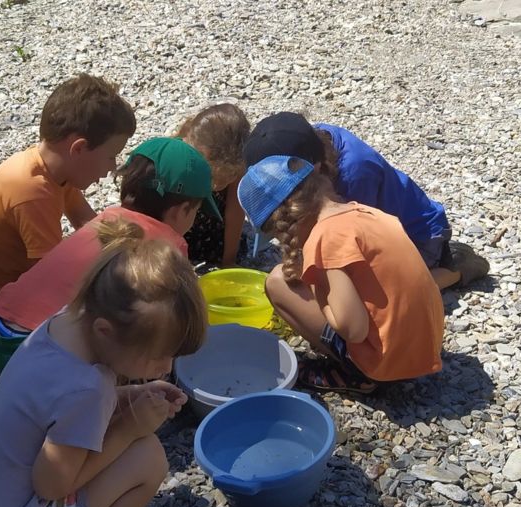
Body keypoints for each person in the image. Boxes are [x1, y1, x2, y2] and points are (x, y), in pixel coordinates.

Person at [0, 218, 206, 507]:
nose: (166, 367)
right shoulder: (87, 387)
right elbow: (51, 485)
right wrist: (129, 427)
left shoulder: (65, 323)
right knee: (148, 456)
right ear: (105, 331)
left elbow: (57, 411)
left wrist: (128, 396)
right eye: (158, 355)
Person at [0, 137, 218, 380]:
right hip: (39, 349)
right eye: (196, 211)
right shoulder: (167, 246)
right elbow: (169, 322)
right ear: (182, 210)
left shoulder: (108, 218)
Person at [237, 155, 445, 394]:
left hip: (386, 367)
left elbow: (353, 330)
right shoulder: (367, 213)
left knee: (276, 282)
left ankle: (356, 376)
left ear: (285, 222)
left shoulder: (325, 238)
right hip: (426, 348)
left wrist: (320, 291)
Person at [0, 74, 136, 329]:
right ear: (78, 149)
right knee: (92, 323)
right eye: (111, 156)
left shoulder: (55, 169)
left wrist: (123, 251)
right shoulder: (34, 193)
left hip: (14, 279)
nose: (112, 168)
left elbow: (86, 221)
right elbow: (50, 276)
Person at [243, 111, 489, 290]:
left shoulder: (355, 175)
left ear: (311, 170)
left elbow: (360, 244)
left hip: (419, 235)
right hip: (382, 226)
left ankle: (455, 268)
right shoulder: (309, 141)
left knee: (386, 293)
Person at [174, 103, 250, 267]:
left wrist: (229, 260)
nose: (217, 184)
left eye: (229, 176)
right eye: (214, 178)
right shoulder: (182, 158)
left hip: (212, 224)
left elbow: (235, 213)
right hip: (179, 219)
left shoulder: (236, 161)